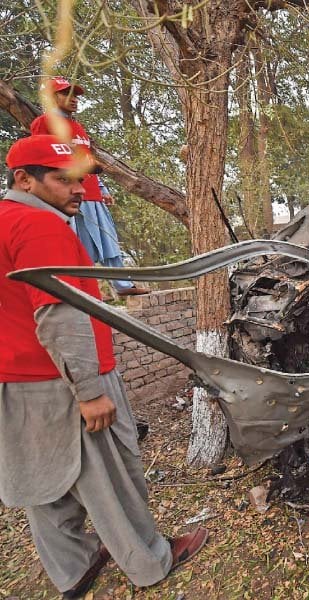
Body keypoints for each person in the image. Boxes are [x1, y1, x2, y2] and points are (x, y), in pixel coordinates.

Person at [0, 135, 207, 598]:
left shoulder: (5, 221)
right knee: (110, 478)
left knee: (45, 483)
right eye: (63, 179)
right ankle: (151, 561)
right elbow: (60, 315)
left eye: (81, 180)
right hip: (64, 381)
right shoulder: (41, 227)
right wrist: (90, 391)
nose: (78, 190)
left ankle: (73, 568)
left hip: (16, 380)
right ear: (24, 179)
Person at [29, 76, 148, 296]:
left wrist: (102, 189)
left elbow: (88, 161)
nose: (73, 99)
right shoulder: (44, 123)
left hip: (91, 192)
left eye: (75, 95)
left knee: (109, 241)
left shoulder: (78, 127)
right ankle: (81, 290)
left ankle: (123, 286)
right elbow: (40, 159)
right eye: (66, 93)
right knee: (76, 247)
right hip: (67, 195)